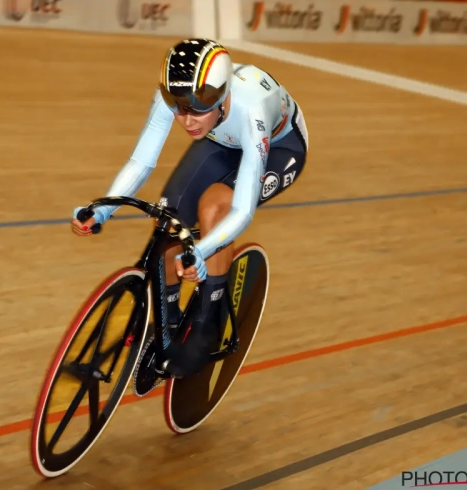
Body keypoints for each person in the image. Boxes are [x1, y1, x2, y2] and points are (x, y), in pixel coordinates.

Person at [71, 38, 309, 380]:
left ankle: (206, 321)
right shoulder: (178, 97)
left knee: (214, 206)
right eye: (179, 107)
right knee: (167, 224)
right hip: (221, 141)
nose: (187, 119)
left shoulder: (252, 109)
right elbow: (141, 161)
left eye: (198, 108)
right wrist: (103, 208)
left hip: (278, 148)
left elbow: (241, 211)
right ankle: (166, 333)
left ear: (222, 94)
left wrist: (201, 249)